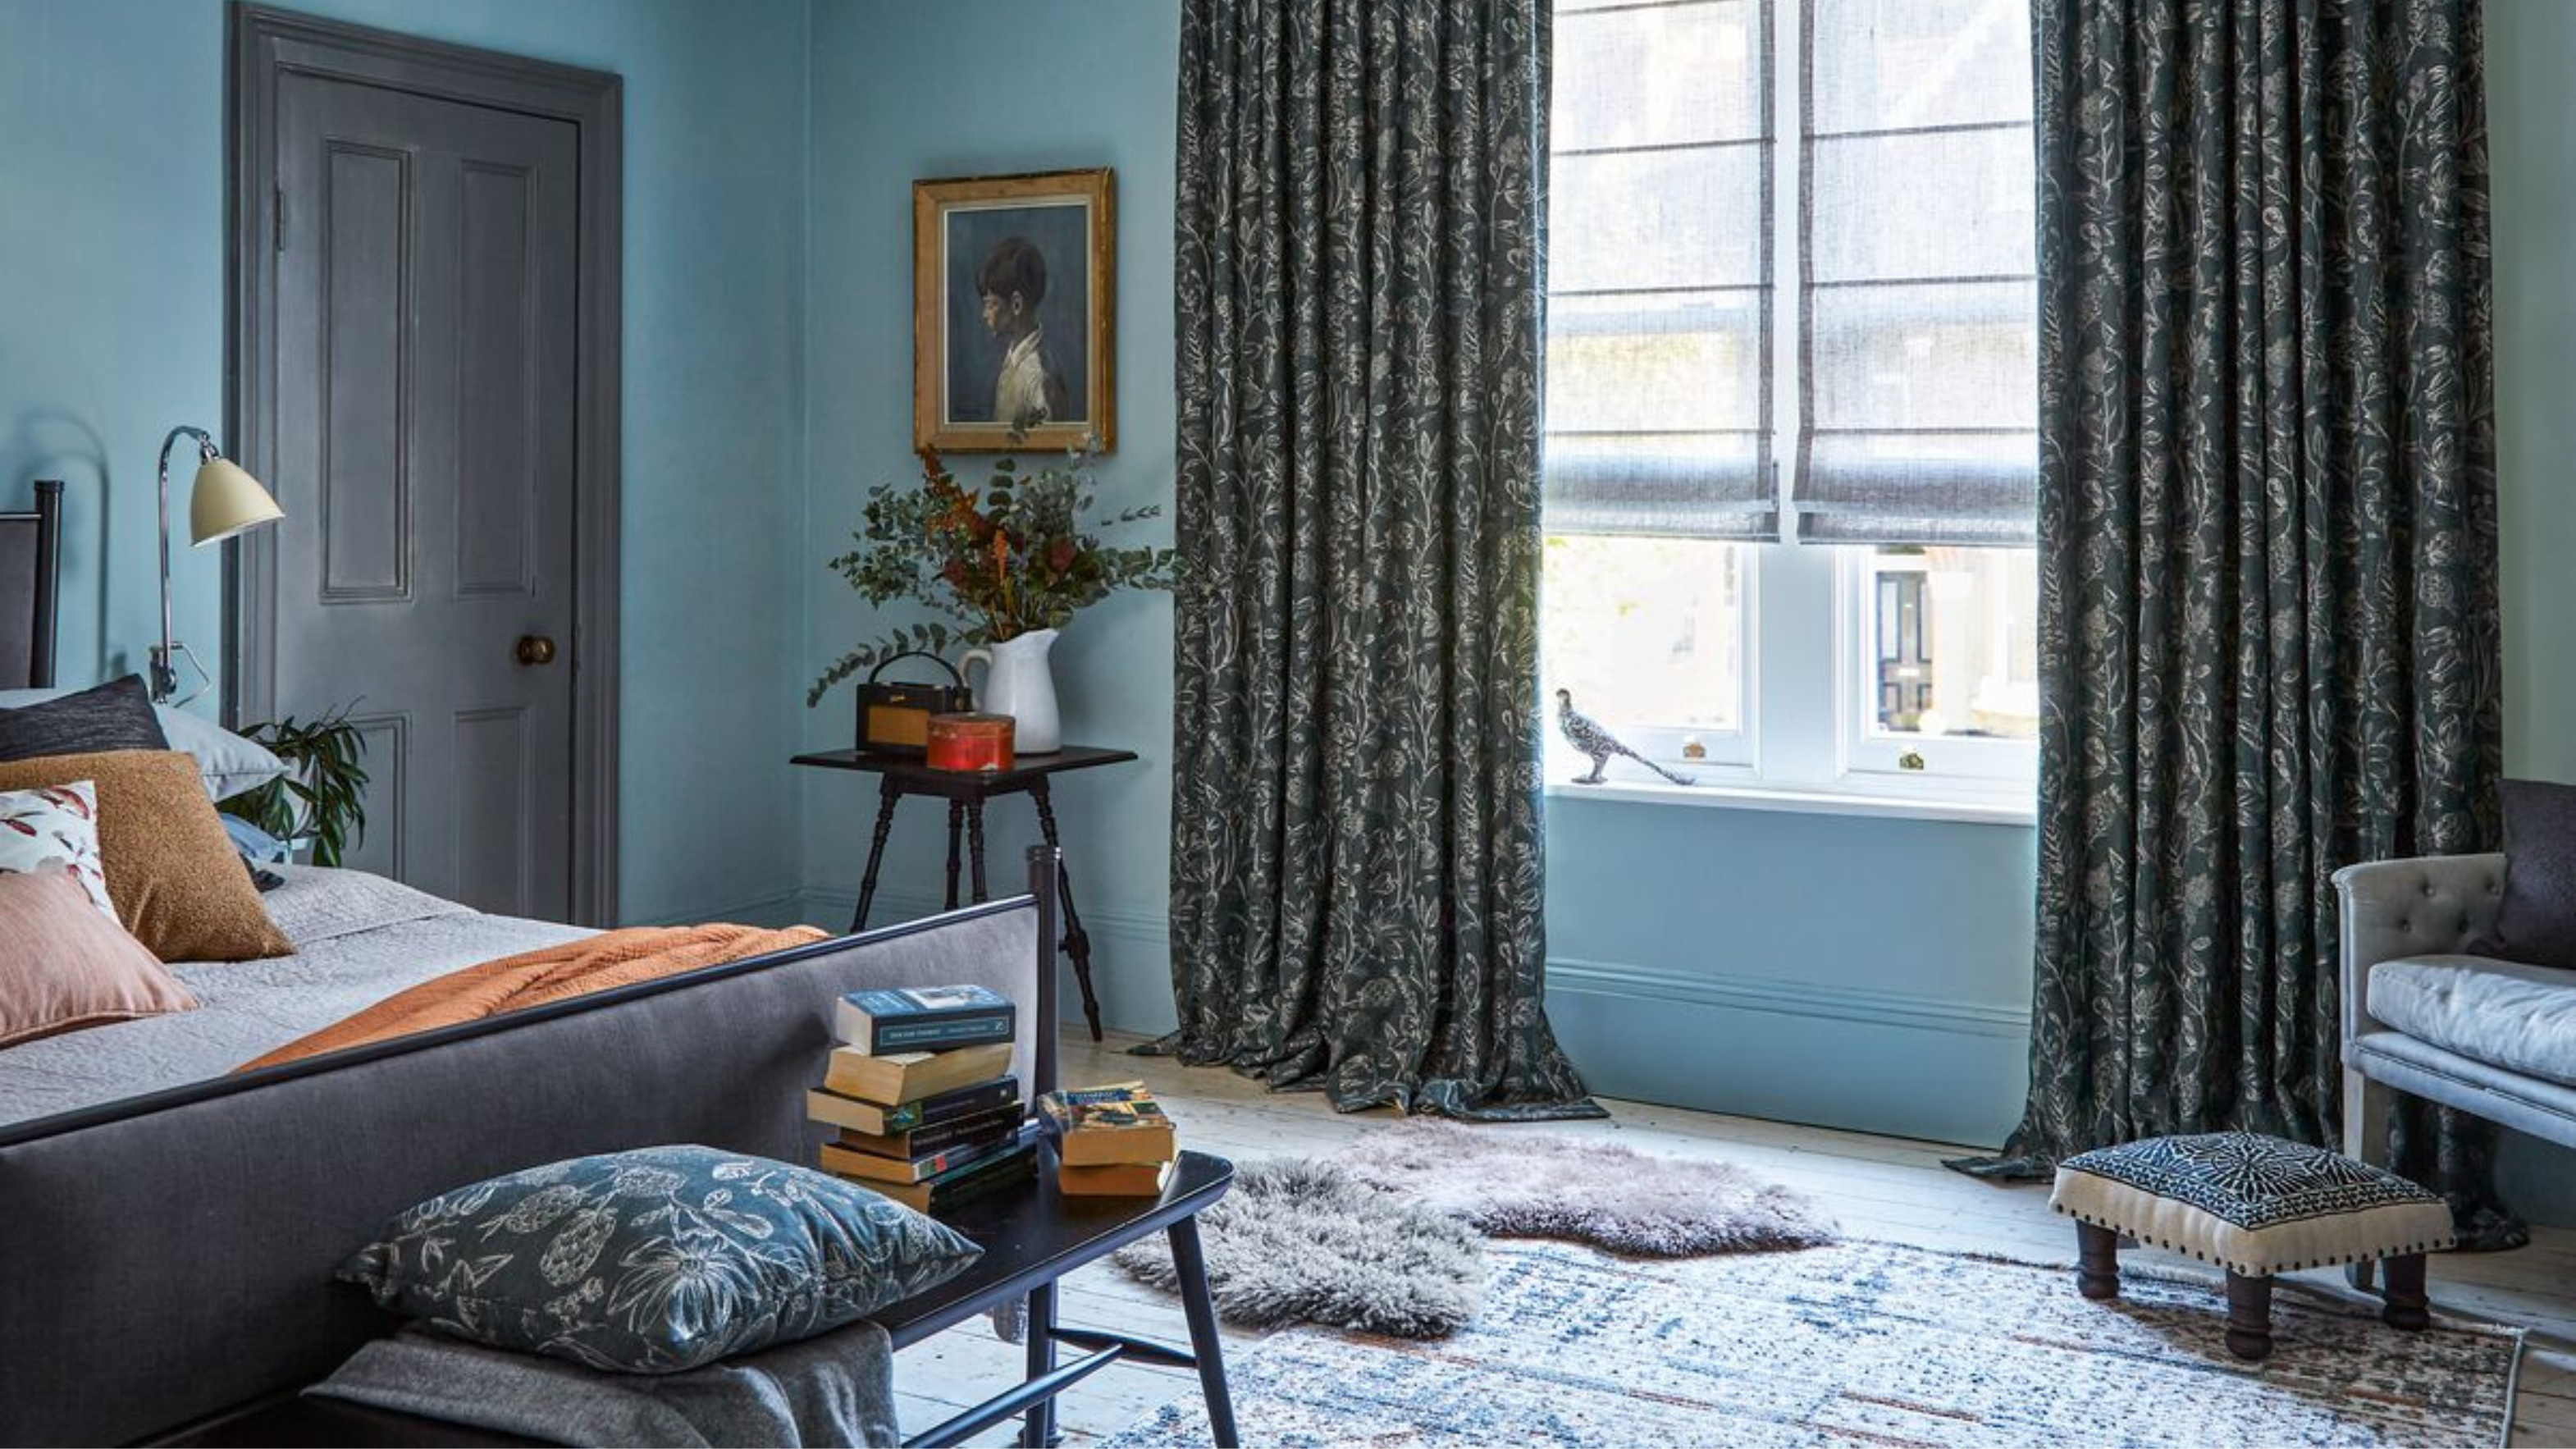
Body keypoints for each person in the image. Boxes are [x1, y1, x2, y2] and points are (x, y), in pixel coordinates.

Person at [975, 235, 1070, 428]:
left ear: (1016, 304)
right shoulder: (1013, 358)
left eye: (991, 305)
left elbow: (1043, 451)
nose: (984, 315)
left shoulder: (1040, 378)